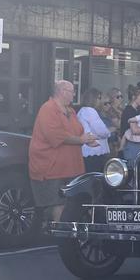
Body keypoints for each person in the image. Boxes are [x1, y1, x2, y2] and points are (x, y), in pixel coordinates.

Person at [29, 80, 95, 222]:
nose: (74, 94)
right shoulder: (47, 109)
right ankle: (58, 236)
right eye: (72, 91)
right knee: (58, 204)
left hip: (72, 168)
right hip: (52, 169)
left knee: (72, 204)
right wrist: (80, 140)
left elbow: (78, 130)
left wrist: (88, 140)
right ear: (62, 92)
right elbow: (55, 135)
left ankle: (69, 236)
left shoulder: (70, 111)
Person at [76, 88, 112, 173]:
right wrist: (109, 132)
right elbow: (101, 131)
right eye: (99, 98)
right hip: (94, 152)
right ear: (93, 99)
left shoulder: (82, 111)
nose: (100, 101)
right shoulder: (90, 111)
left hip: (86, 150)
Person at [119, 85, 140, 162]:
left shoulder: (137, 110)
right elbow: (134, 130)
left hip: (137, 145)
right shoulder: (129, 111)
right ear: (133, 97)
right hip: (130, 146)